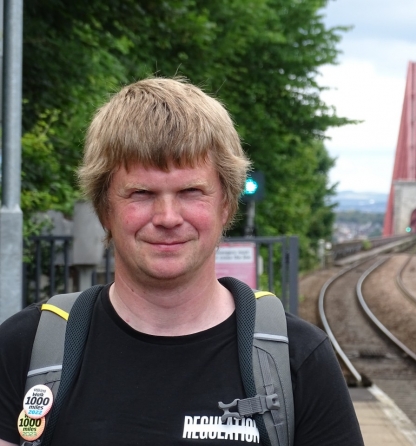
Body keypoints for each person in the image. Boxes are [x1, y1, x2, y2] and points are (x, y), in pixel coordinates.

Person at [0, 78, 364, 446]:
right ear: (104, 209)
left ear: (226, 204)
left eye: (191, 191)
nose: (168, 217)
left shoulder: (299, 362)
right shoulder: (25, 349)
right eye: (141, 193)